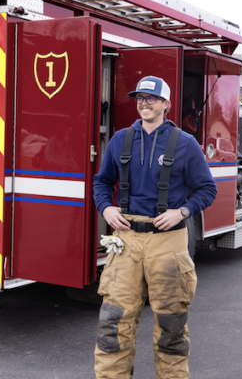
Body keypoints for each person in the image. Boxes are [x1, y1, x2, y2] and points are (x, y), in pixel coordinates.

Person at [93, 76, 217, 379]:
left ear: (166, 104)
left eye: (151, 98)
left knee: (171, 326)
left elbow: (207, 189)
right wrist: (106, 208)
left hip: (168, 242)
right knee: (113, 323)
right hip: (126, 241)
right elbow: (102, 181)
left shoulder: (185, 143)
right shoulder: (120, 139)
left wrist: (182, 212)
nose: (144, 103)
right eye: (140, 97)